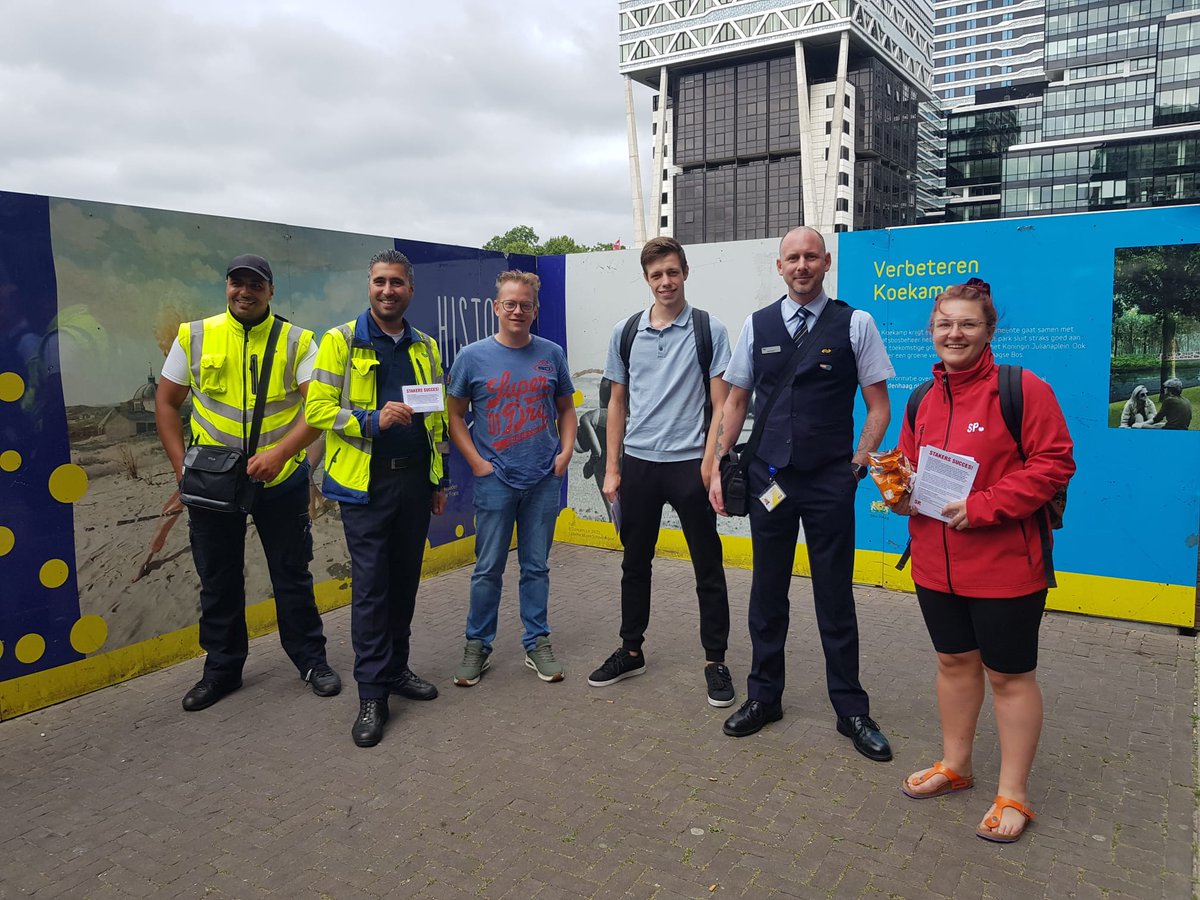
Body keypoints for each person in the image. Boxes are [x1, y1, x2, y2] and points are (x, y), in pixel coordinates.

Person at [895, 278, 1075, 844]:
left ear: (989, 330)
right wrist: (899, 490)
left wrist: (983, 506)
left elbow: (1054, 463)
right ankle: (956, 766)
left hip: (1006, 565)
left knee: (1009, 676)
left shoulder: (1022, 389)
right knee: (953, 663)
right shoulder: (922, 398)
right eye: (945, 323)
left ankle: (1013, 794)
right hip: (934, 562)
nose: (955, 333)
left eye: (968, 323)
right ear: (932, 330)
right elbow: (909, 465)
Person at [708, 226, 894, 761]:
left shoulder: (855, 323)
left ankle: (851, 709)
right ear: (780, 266)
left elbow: (878, 406)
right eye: (792, 258)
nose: (802, 266)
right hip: (770, 479)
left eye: (811, 256)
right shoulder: (757, 324)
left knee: (834, 595)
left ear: (826, 262)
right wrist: (719, 463)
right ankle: (764, 697)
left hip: (830, 480)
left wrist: (857, 465)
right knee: (767, 593)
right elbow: (736, 401)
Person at [156, 254, 341, 712]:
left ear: (271, 291)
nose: (245, 291)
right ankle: (222, 669)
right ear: (226, 286)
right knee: (218, 578)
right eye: (237, 283)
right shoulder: (193, 335)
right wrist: (182, 470)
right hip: (212, 484)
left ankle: (311, 660)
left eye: (255, 285)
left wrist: (280, 455)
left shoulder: (299, 341)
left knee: (292, 574)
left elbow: (318, 409)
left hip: (280, 480)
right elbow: (167, 403)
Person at [305, 249, 449, 748]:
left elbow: (437, 419)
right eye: (380, 282)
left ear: (410, 289)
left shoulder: (426, 346)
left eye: (397, 283)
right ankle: (372, 694)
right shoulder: (340, 341)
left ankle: (397, 669)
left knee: (405, 582)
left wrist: (439, 481)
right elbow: (317, 409)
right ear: (369, 284)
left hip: (413, 483)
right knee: (370, 589)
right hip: (365, 488)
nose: (388, 291)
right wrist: (370, 420)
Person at [587, 237, 736, 707]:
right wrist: (613, 469)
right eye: (656, 275)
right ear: (647, 279)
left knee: (707, 566)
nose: (665, 281)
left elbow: (721, 404)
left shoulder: (709, 330)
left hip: (690, 465)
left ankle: (715, 660)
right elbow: (617, 403)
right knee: (635, 564)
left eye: (672, 272)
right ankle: (631, 651)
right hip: (639, 466)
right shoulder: (626, 332)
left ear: (685, 272)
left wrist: (710, 463)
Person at [446, 270, 576, 687]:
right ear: (496, 308)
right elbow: (454, 415)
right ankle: (477, 645)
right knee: (488, 568)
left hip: (543, 478)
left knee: (536, 567)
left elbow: (566, 409)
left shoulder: (552, 354)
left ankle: (536, 642)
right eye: (510, 304)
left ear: (535, 310)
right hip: (495, 479)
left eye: (525, 305)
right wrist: (477, 463)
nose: (518, 311)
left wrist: (565, 453)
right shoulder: (471, 357)